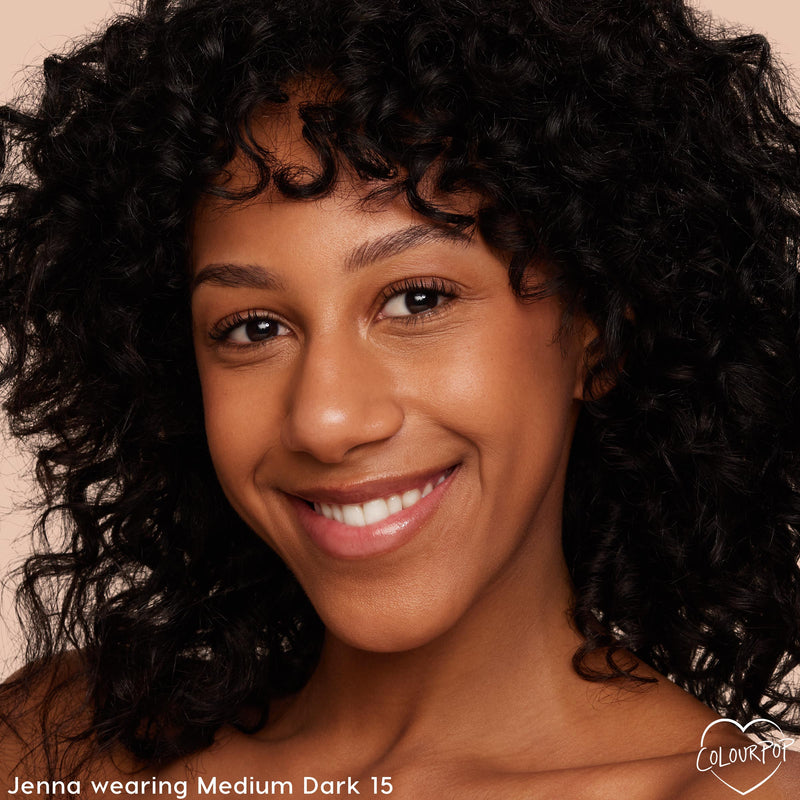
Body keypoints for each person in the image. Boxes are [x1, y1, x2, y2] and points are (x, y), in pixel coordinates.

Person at [1, 0, 800, 797]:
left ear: (600, 330)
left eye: (418, 300)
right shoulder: (54, 746)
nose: (325, 421)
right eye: (253, 327)